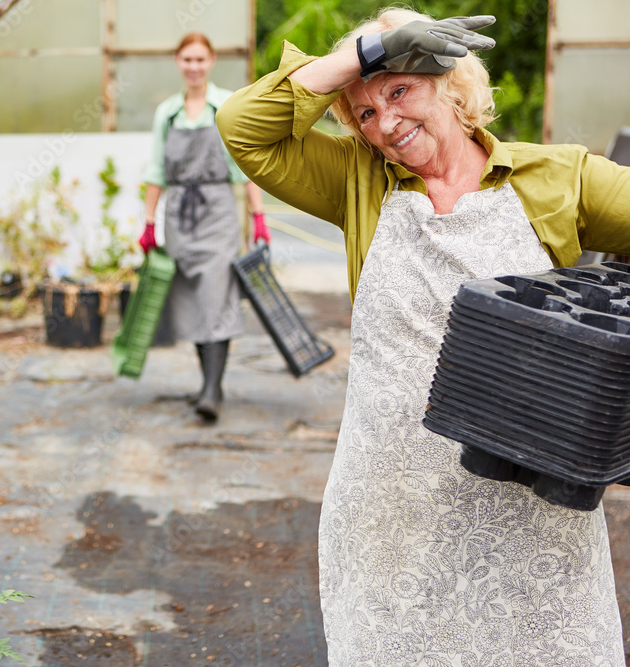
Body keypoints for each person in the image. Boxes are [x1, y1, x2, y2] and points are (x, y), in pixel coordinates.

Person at [216, 8, 630, 665]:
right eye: (363, 113)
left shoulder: (558, 179)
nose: (383, 123)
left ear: (452, 83)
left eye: (399, 91)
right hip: (390, 515)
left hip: (532, 517)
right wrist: (369, 53)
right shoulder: (358, 181)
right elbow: (243, 129)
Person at [139, 32, 266, 422]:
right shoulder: (168, 112)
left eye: (200, 60)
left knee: (216, 294)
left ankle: (212, 390)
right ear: (178, 62)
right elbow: (157, 170)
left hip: (218, 210)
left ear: (211, 62)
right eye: (187, 60)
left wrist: (258, 217)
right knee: (193, 298)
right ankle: (209, 383)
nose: (193, 67)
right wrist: (149, 222)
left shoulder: (226, 105)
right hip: (179, 212)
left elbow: (247, 165)